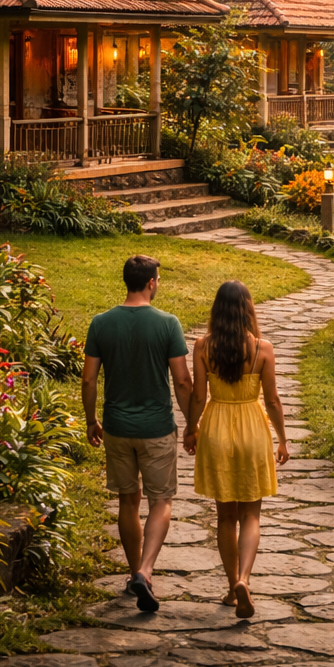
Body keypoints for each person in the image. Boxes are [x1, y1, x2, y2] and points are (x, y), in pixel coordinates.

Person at [82, 254, 192, 612]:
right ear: (151, 283)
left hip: (116, 427)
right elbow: (182, 379)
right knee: (161, 500)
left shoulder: (101, 323)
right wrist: (192, 422)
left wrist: (90, 421)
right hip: (156, 428)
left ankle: (133, 574)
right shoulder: (168, 324)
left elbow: (88, 378)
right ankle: (145, 571)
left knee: (128, 500)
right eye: (158, 279)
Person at [183, 280, 289, 619]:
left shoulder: (202, 346)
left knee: (225, 516)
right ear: (248, 310)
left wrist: (191, 427)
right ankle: (245, 578)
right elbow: (272, 400)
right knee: (251, 515)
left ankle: (232, 587)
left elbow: (199, 396)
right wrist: (283, 439)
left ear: (217, 310)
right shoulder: (263, 349)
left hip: (216, 428)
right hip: (252, 429)